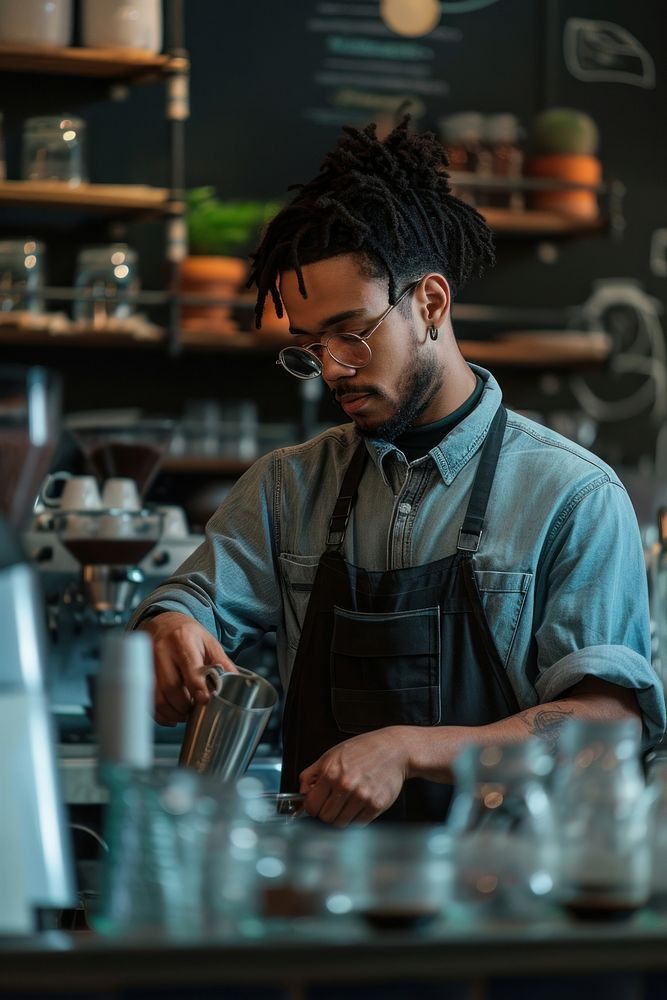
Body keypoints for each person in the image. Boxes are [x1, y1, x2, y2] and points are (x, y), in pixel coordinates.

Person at [130, 119, 665, 825]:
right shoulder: (288, 486)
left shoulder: (572, 495)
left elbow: (605, 723)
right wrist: (168, 625)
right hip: (313, 895)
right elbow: (187, 603)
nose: (332, 369)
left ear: (430, 303)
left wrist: (408, 748)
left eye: (352, 333)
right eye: (310, 347)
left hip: (500, 896)